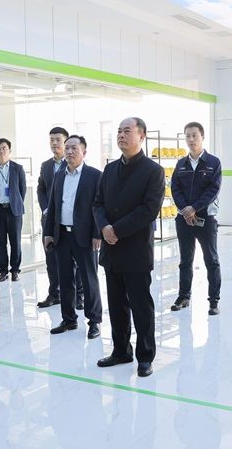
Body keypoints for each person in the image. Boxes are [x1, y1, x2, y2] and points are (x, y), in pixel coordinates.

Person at [93, 117, 165, 378]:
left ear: (141, 136)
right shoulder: (110, 169)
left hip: (135, 250)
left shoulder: (153, 171)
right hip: (111, 250)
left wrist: (116, 230)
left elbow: (149, 209)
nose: (121, 135)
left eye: (127, 131)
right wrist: (104, 227)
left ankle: (145, 356)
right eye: (119, 131)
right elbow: (98, 203)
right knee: (116, 306)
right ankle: (121, 351)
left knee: (141, 307)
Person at [44, 135, 103, 339]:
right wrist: (48, 233)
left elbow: (99, 207)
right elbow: (53, 206)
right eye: (67, 147)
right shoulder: (59, 175)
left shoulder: (94, 175)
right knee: (65, 279)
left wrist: (97, 233)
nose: (69, 151)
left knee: (89, 279)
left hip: (85, 236)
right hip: (61, 235)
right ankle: (69, 319)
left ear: (84, 152)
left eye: (74, 148)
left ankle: (94, 321)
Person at [169, 121, 222, 315]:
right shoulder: (181, 164)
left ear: (202, 137)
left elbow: (213, 189)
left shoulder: (213, 162)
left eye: (194, 135)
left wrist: (194, 208)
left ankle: (214, 301)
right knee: (185, 260)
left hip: (206, 219)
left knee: (211, 260)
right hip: (184, 219)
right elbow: (175, 188)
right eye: (188, 136)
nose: (191, 139)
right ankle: (184, 296)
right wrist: (185, 210)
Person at [36, 127, 84, 308]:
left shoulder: (74, 164)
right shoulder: (46, 165)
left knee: (76, 260)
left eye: (58, 139)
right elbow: (41, 189)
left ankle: (79, 295)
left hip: (70, 221)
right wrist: (46, 209)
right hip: (50, 221)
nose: (54, 143)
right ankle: (54, 293)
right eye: (51, 140)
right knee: (51, 259)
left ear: (66, 142)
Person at [0, 138, 26, 282]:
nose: (1, 150)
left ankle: (15, 270)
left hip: (14, 210)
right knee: (0, 242)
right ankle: (3, 271)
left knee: (16, 241)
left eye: (4, 148)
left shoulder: (18, 168)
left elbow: (22, 190)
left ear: (9, 150)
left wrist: (16, 203)